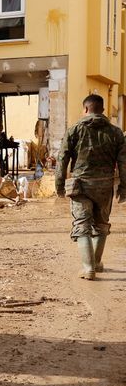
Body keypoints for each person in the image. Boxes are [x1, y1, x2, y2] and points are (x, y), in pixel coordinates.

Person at [55, 94, 126, 280]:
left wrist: (59, 185)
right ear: (102, 110)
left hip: (80, 186)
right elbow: (124, 162)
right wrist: (124, 188)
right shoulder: (116, 132)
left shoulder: (74, 131)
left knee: (82, 225)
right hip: (105, 186)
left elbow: (62, 159)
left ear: (85, 109)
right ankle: (96, 262)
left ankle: (88, 268)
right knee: (101, 225)